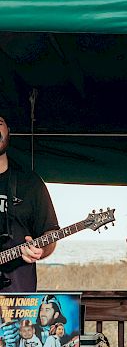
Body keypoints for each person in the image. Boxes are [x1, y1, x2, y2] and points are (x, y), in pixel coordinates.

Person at [0, 115, 59, 293]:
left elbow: (50, 232)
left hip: (18, 299)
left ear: (8, 131)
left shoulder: (30, 182)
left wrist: (40, 250)